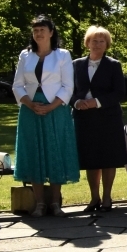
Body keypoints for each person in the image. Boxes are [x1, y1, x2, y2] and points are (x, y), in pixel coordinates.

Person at [12, 14, 79, 217]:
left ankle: (55, 203)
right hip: (30, 109)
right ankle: (40, 203)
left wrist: (51, 107)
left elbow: (68, 86)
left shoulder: (63, 55)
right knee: (34, 151)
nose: (38, 33)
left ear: (51, 32)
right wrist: (30, 104)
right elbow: (17, 85)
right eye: (35, 30)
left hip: (56, 109)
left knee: (55, 150)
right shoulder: (25, 55)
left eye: (42, 29)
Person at [71, 25, 127, 212]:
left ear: (107, 44)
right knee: (91, 158)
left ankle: (107, 198)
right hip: (83, 118)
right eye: (94, 40)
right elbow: (68, 90)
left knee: (108, 158)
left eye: (101, 41)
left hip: (108, 117)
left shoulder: (113, 65)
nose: (97, 44)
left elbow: (119, 92)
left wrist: (96, 102)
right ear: (87, 43)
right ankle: (94, 198)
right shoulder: (76, 64)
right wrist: (77, 102)